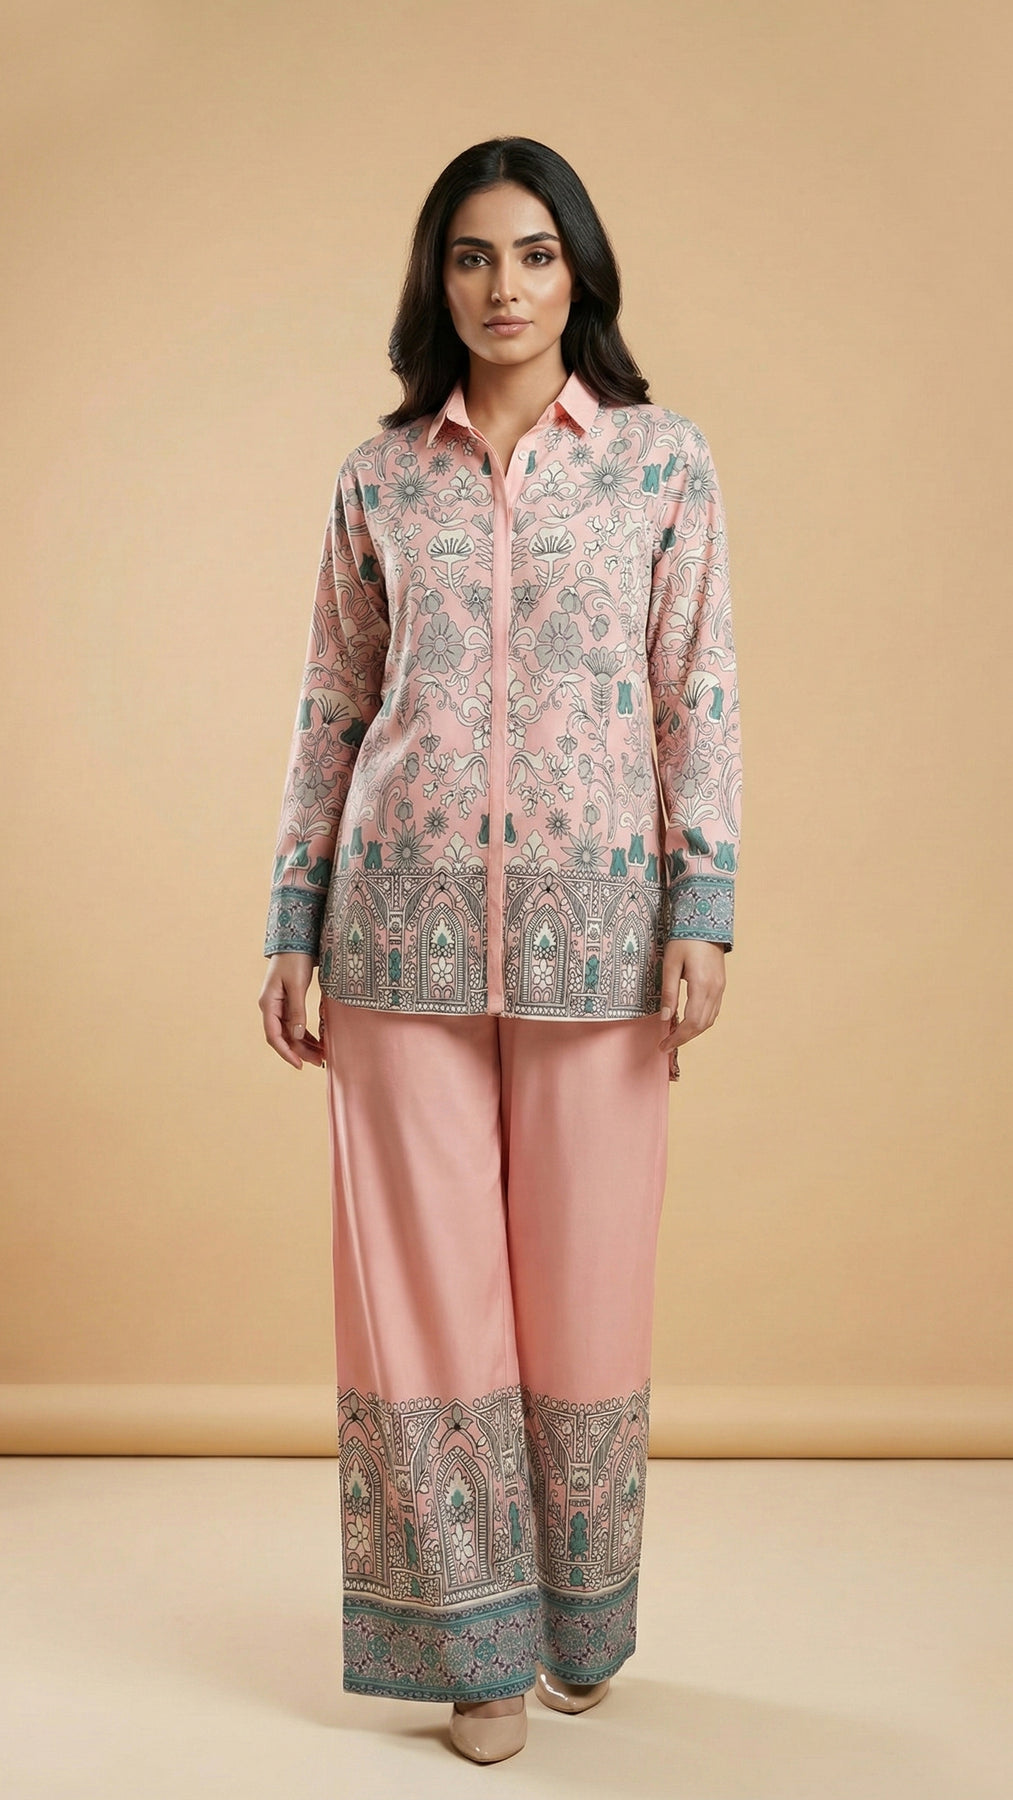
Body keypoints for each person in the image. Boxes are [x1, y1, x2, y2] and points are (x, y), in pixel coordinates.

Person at [258, 136, 741, 1765]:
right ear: (436, 280)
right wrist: (291, 919)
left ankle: (578, 1623)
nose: (504, 287)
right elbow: (334, 704)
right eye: (471, 256)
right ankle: (473, 1651)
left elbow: (696, 696)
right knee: (422, 1296)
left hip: (598, 938)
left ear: (577, 271)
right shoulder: (379, 475)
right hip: (392, 927)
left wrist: (702, 905)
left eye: (533, 254)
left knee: (587, 1280)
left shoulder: (662, 464)